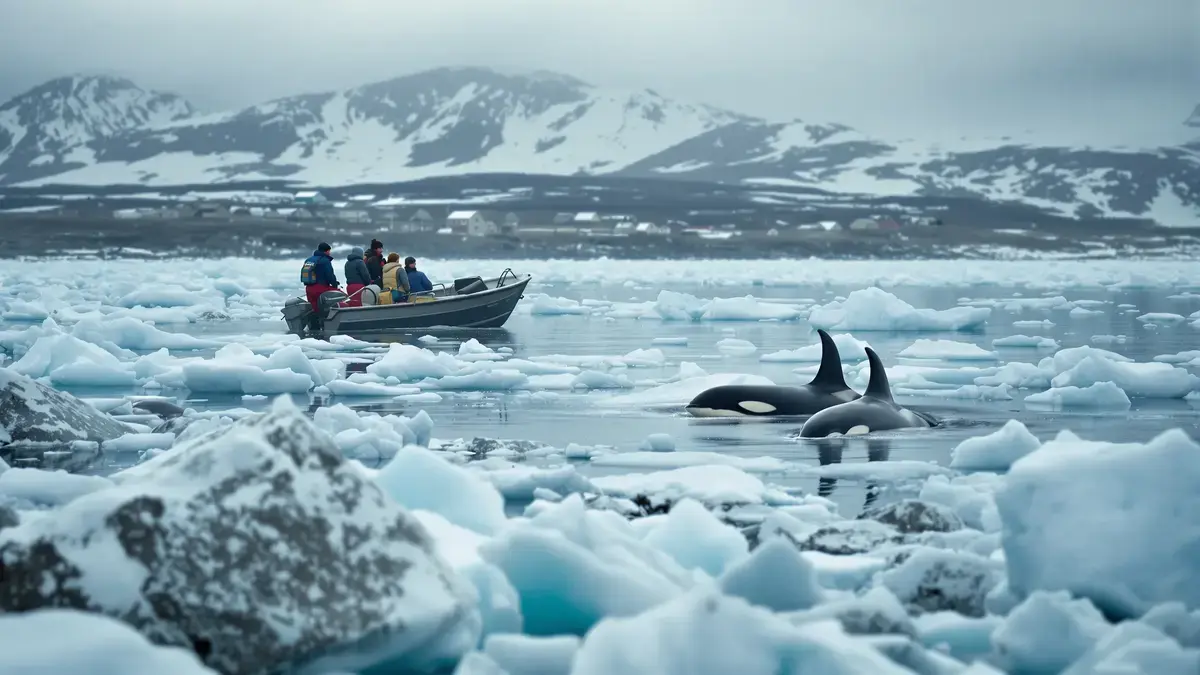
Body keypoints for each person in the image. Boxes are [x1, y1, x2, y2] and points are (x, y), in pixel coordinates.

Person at [300, 242, 339, 311]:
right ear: (326, 251)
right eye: (329, 251)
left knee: (315, 310)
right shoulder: (325, 260)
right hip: (321, 288)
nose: (330, 253)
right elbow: (330, 275)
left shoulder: (309, 260)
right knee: (341, 296)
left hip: (309, 289)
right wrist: (335, 285)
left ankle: (316, 321)